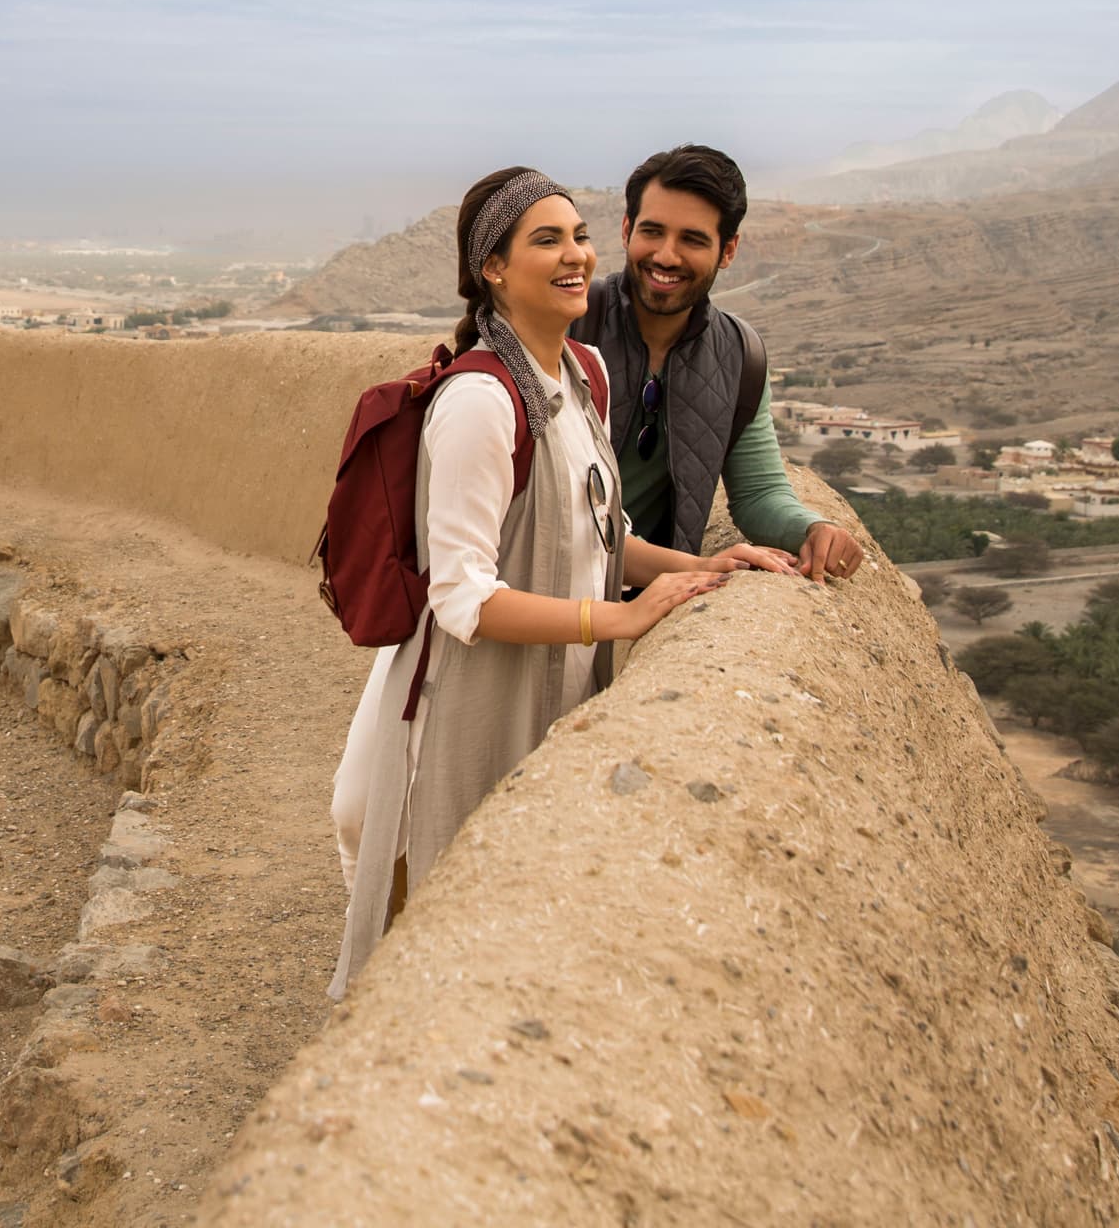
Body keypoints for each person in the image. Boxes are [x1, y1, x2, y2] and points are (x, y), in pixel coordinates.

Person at [326, 165, 795, 997]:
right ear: (493, 269)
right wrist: (615, 622)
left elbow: (603, 533)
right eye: (546, 240)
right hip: (471, 699)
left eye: (579, 235)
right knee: (445, 905)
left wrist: (703, 567)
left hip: (546, 685)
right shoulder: (480, 401)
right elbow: (462, 597)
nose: (576, 255)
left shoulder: (583, 376)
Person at [574, 144, 866, 584]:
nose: (666, 256)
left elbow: (758, 493)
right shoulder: (567, 322)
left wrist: (813, 529)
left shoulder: (740, 357)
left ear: (728, 250)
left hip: (638, 605)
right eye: (652, 232)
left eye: (692, 239)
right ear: (626, 230)